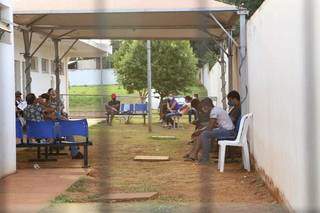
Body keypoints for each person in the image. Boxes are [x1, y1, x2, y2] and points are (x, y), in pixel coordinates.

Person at [192, 98, 235, 164]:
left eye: (203, 107)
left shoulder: (213, 112)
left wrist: (200, 131)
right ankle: (195, 154)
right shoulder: (216, 109)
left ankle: (205, 159)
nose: (203, 109)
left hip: (228, 132)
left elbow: (210, 127)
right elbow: (212, 126)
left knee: (205, 134)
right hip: (228, 130)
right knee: (204, 133)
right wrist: (201, 130)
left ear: (206, 106)